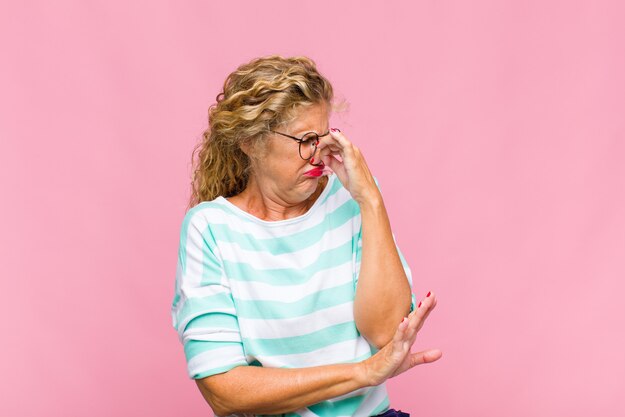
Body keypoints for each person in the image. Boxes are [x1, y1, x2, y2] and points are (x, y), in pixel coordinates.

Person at [171, 55, 442, 417]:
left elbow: (385, 334)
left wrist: (370, 201)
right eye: (306, 140)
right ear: (251, 142)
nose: (320, 155)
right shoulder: (210, 229)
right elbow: (225, 390)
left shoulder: (352, 199)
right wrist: (362, 372)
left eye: (325, 136)